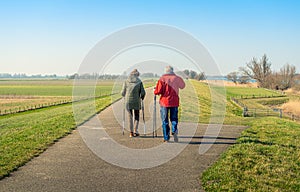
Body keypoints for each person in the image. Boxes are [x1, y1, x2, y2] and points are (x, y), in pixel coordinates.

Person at [154, 66, 185, 142]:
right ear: (172, 71)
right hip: (174, 101)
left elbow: (158, 91)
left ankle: (166, 137)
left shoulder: (162, 79)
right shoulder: (177, 78)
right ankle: (174, 130)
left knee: (165, 120)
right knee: (174, 118)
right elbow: (182, 86)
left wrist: (155, 90)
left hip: (164, 102)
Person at [121, 69, 146, 137]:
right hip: (136, 101)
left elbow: (122, 92)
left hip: (128, 102)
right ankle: (135, 130)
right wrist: (142, 97)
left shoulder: (126, 81)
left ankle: (131, 132)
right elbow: (143, 92)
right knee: (137, 116)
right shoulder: (139, 81)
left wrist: (124, 95)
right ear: (137, 74)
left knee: (130, 116)